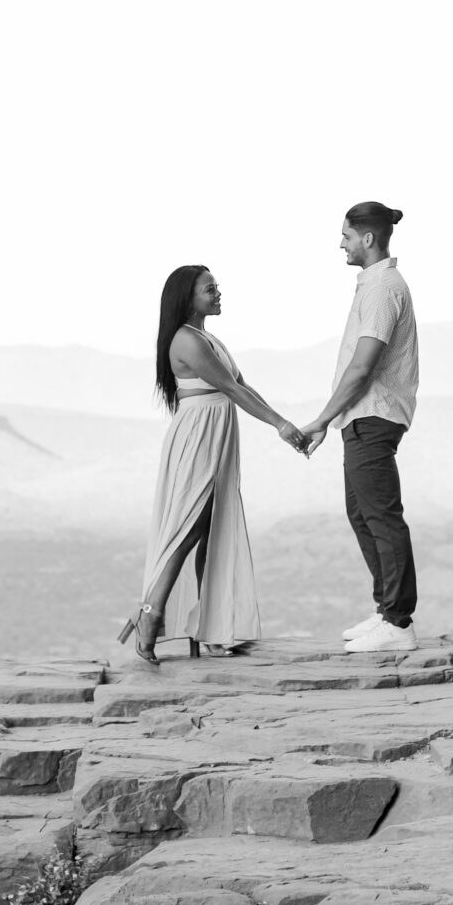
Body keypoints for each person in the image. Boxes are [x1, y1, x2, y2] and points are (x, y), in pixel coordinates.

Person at [117, 264, 309, 667]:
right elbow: (231, 388)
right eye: (210, 289)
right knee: (187, 529)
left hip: (215, 435)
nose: (218, 293)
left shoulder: (208, 338)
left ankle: (211, 627)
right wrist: (280, 424)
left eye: (216, 287)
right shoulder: (187, 342)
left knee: (210, 528)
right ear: (188, 297)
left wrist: (282, 420)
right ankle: (149, 617)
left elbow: (241, 383)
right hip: (198, 438)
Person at [296, 201, 421, 653]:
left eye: (346, 236)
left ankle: (399, 623)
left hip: (373, 415)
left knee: (383, 517)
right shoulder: (374, 284)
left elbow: (362, 366)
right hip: (361, 417)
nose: (341, 244)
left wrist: (321, 419)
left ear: (368, 239)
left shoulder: (383, 287)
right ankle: (387, 612)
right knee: (362, 513)